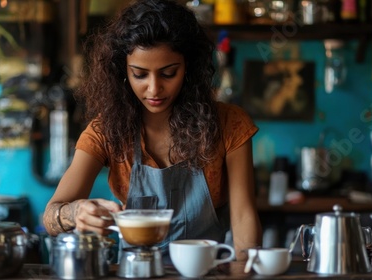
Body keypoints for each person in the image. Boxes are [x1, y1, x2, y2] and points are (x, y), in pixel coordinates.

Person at [43, 0, 262, 261]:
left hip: (207, 271)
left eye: (169, 73)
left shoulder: (229, 124)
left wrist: (247, 270)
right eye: (140, 74)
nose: (154, 89)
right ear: (122, 71)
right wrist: (74, 212)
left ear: (188, 69)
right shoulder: (105, 131)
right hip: (135, 270)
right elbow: (50, 217)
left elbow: (243, 217)